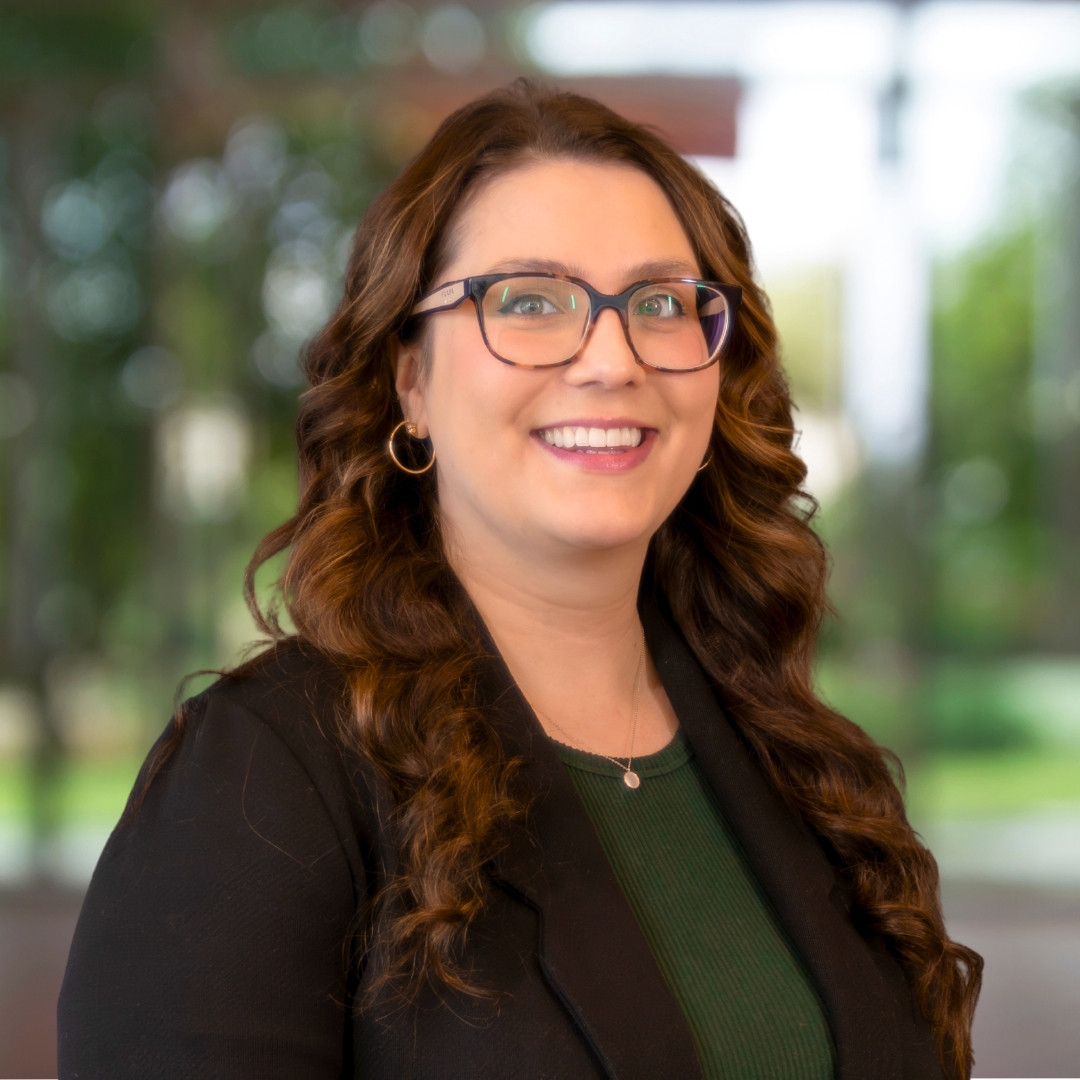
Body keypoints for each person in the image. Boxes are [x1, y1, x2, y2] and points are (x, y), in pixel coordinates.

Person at [58, 81, 981, 1080]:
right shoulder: (262, 779)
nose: (610, 359)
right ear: (409, 379)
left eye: (661, 303)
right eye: (530, 302)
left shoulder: (801, 764)